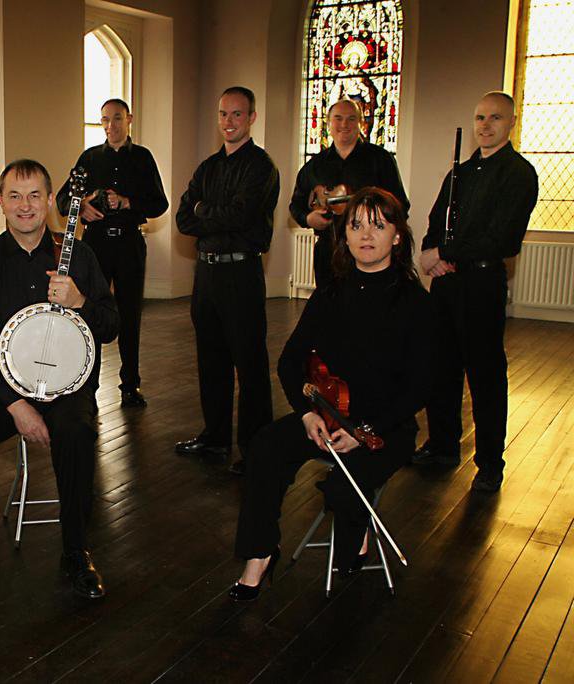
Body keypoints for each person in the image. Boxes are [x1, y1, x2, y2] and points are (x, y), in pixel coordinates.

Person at [230, 187, 431, 601]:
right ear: (345, 235)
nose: (366, 235)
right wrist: (307, 413)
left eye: (378, 225)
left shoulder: (415, 302)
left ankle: (358, 534)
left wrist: (364, 432)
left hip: (384, 428)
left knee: (342, 489)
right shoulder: (331, 293)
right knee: (265, 447)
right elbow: (290, 362)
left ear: (397, 235)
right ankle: (259, 554)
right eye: (356, 225)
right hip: (328, 414)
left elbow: (421, 386)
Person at [0, 160, 119, 600]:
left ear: (49, 201)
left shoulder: (79, 255)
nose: (25, 205)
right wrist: (17, 406)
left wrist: (80, 301)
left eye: (35, 195)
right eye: (15, 196)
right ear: (0, 201)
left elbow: (110, 326)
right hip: (5, 389)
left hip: (68, 387)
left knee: (76, 432)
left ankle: (76, 551)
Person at [412, 92, 539, 493]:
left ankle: (489, 464)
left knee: (484, 375)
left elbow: (502, 238)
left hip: (482, 284)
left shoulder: (519, 174)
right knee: (441, 368)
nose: (485, 125)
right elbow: (436, 222)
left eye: (495, 118)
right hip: (447, 283)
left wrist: (443, 253)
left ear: (511, 122)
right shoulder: (460, 173)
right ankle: (443, 445)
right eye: (480, 117)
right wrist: (433, 253)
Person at [174, 86, 279, 475]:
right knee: (211, 359)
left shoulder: (262, 167)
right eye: (223, 114)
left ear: (252, 118)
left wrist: (205, 210)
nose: (229, 121)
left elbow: (241, 216)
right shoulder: (208, 168)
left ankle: (256, 448)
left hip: (240, 274)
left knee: (249, 364)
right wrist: (212, 213)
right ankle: (215, 438)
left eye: (237, 114)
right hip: (206, 273)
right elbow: (184, 219)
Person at [56, 99, 168, 407]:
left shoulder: (143, 158)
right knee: (90, 313)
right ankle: (88, 390)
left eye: (117, 118)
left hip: (130, 244)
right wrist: (82, 207)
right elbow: (63, 200)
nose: (110, 125)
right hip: (96, 247)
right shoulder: (89, 158)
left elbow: (160, 203)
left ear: (129, 119)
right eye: (105, 119)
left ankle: (130, 386)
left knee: (130, 316)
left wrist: (128, 202)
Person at [289, 99, 409, 290]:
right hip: (329, 251)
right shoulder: (314, 166)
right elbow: (296, 205)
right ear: (328, 123)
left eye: (351, 119)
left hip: (370, 250)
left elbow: (400, 205)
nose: (344, 124)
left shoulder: (380, 159)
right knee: (329, 302)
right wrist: (308, 218)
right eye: (338, 118)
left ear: (360, 123)